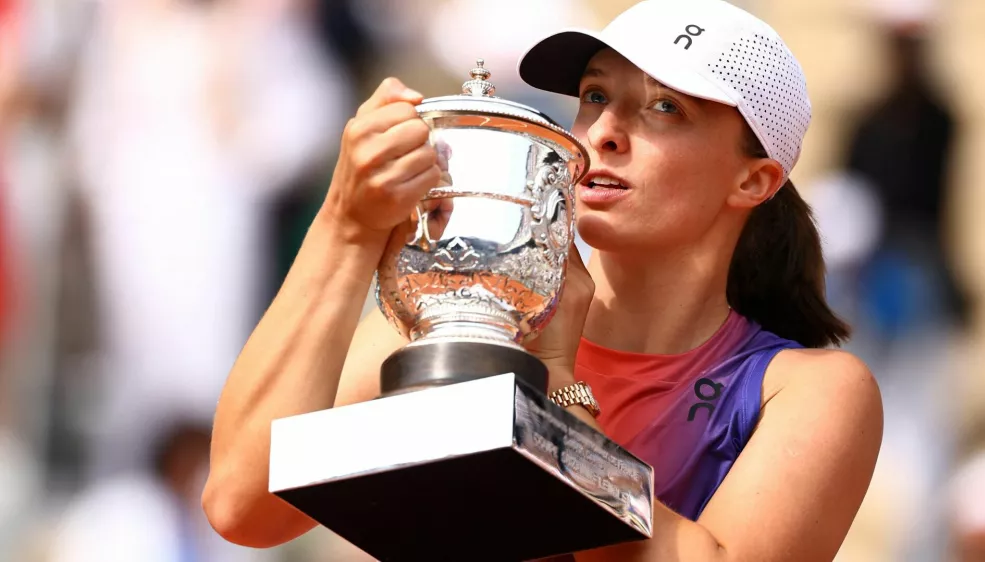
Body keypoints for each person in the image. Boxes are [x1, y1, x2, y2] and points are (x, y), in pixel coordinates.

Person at [202, 1, 884, 560]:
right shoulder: (462, 311)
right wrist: (347, 224)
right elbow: (241, 503)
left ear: (754, 179)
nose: (605, 133)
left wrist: (556, 383)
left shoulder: (810, 390)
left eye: (665, 108)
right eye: (595, 96)